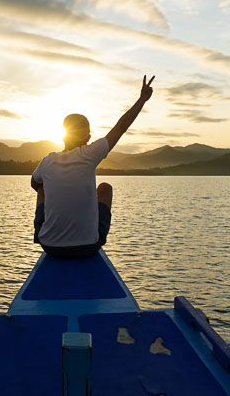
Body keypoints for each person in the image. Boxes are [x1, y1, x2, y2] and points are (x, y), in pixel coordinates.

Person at [31, 75, 155, 259]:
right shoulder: (90, 154)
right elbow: (121, 127)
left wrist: (57, 193)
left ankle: (53, 230)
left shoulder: (47, 161)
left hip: (49, 245)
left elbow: (34, 184)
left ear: (62, 136)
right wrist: (142, 99)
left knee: (42, 187)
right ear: (88, 138)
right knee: (105, 188)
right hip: (87, 247)